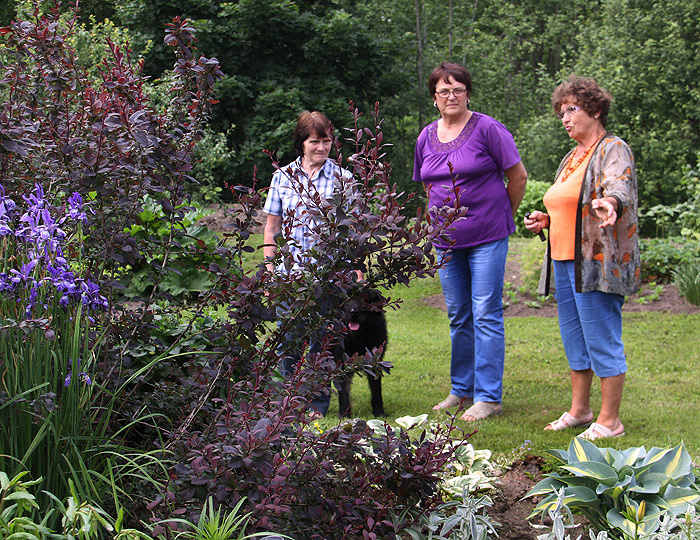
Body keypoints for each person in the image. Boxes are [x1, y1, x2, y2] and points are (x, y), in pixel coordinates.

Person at [524, 75, 640, 440]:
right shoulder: (572, 156)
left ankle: (610, 421)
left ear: (596, 109)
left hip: (597, 261)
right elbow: (569, 204)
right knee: (575, 338)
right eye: (561, 112)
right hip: (564, 261)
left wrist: (611, 202)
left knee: (601, 337)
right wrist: (547, 218)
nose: (565, 118)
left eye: (572, 109)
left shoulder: (612, 148)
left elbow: (616, 185)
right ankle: (580, 410)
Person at [413, 62, 528, 422]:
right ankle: (461, 390)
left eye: (458, 89)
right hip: (445, 241)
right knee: (459, 314)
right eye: (444, 90)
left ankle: (489, 396)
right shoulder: (425, 137)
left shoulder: (488, 128)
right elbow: (427, 184)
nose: (451, 96)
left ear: (467, 92)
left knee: (485, 312)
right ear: (434, 98)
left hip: (487, 237)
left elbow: (518, 176)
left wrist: (501, 216)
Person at [263, 110, 353, 417]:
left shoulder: (344, 179)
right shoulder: (282, 177)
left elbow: (352, 230)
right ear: (301, 142)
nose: (321, 147)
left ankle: (316, 405)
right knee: (288, 341)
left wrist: (354, 268)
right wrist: (270, 268)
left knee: (323, 342)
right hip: (290, 275)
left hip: (329, 277)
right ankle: (287, 402)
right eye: (315, 141)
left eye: (326, 141)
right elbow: (271, 227)